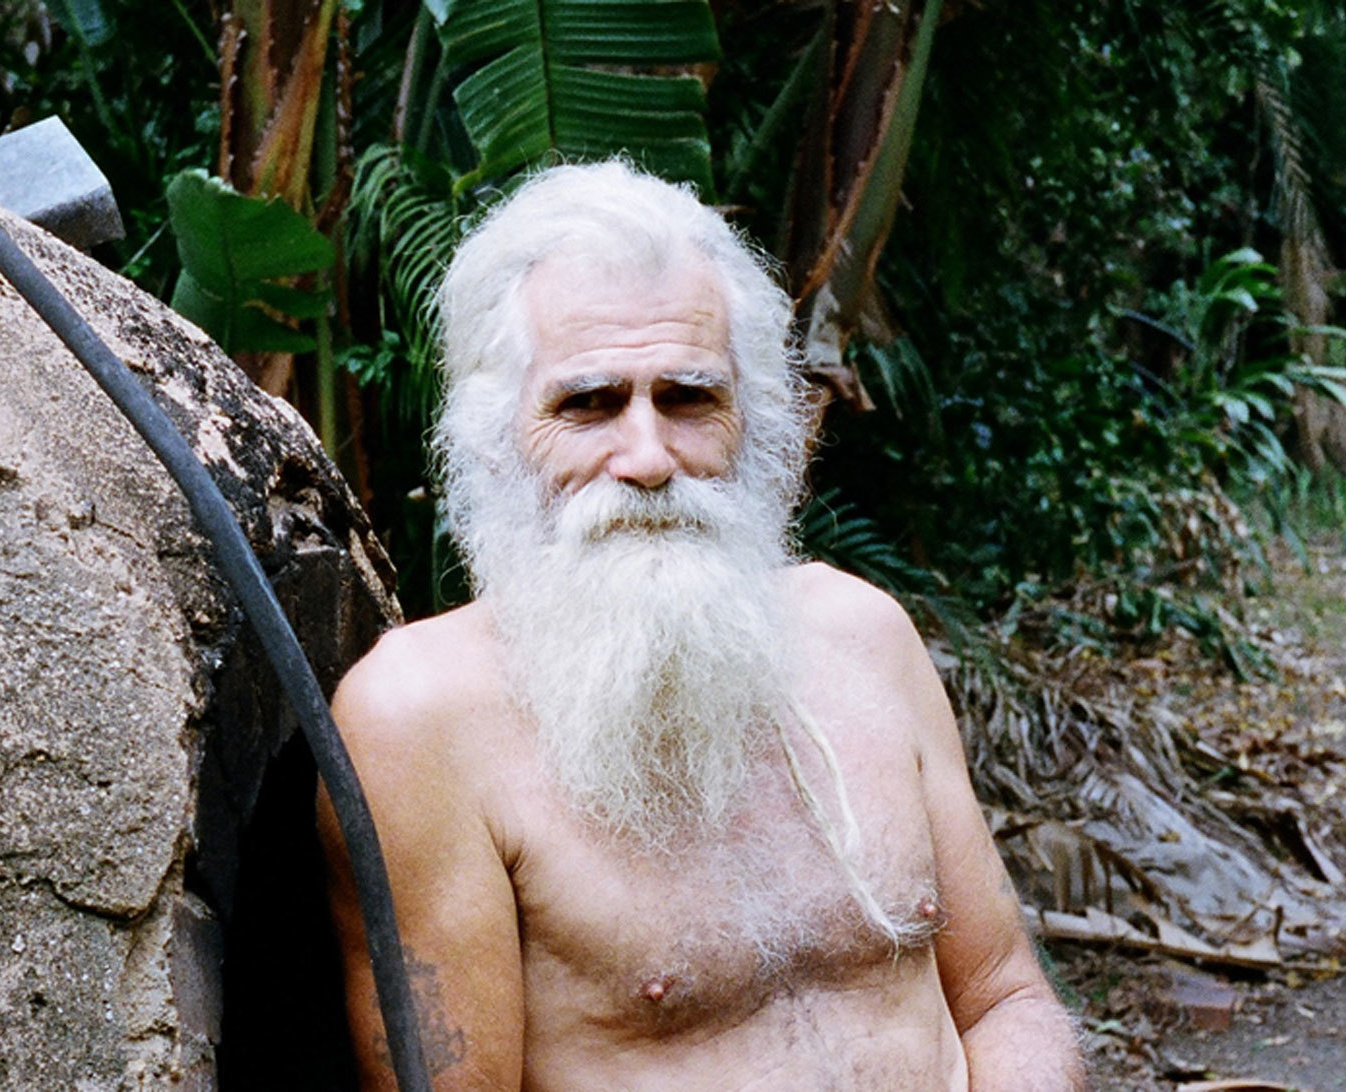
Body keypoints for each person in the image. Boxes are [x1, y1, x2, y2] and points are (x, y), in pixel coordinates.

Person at [319, 160, 1088, 1091]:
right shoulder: (419, 720)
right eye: (589, 403)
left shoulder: (864, 636)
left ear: (751, 419)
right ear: (494, 434)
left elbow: (1005, 998)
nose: (648, 457)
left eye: (689, 398)